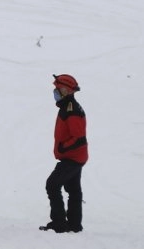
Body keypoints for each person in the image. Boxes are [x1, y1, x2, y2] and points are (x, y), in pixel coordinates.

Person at [41, 73, 87, 233]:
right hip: (75, 157)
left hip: (72, 157)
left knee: (52, 185)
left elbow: (78, 138)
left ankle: (59, 224)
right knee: (73, 190)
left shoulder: (72, 109)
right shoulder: (67, 106)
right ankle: (74, 225)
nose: (55, 93)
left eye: (58, 89)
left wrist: (62, 148)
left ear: (66, 91)